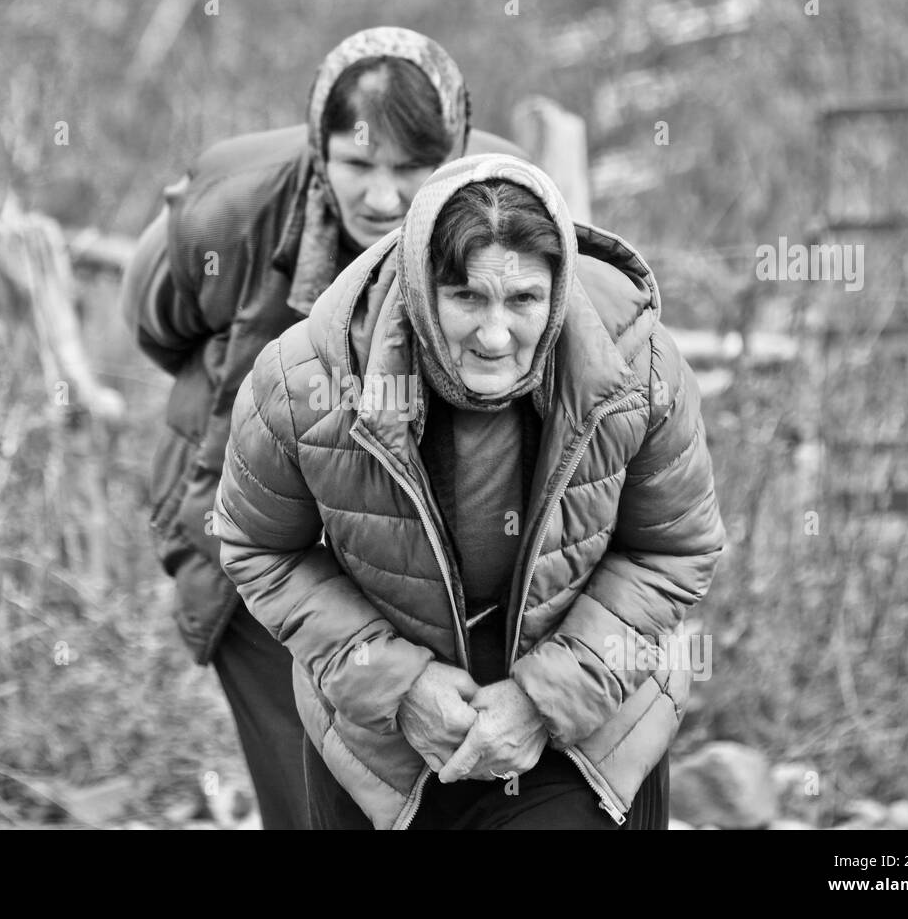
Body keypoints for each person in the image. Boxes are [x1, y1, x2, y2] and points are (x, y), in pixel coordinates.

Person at [214, 154, 726, 829]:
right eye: (466, 297)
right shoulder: (307, 381)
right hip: (385, 742)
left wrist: (543, 699)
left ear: (558, 290)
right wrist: (399, 685)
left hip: (584, 716)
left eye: (523, 300)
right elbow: (258, 547)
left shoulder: (638, 367)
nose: (494, 334)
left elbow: (673, 550)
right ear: (423, 286)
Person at [119, 28, 525, 830]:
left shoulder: (503, 203)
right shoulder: (232, 206)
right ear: (320, 148)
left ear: (453, 153)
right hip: (250, 533)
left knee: (425, 776)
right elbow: (156, 322)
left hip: (406, 540)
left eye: (411, 169)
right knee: (309, 791)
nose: (380, 196)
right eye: (357, 164)